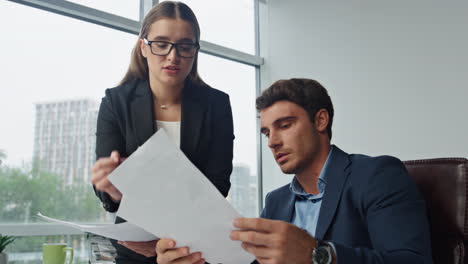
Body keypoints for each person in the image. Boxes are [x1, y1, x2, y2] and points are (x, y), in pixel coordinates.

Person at [156, 78, 432, 264]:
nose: (272, 141)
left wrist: (320, 255)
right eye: (266, 132)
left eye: (285, 125)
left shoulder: (377, 175)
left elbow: (411, 260)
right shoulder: (277, 201)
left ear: (320, 120)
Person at [90, 2, 234, 264]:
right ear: (144, 46)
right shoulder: (116, 102)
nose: (172, 56)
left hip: (194, 251)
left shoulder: (217, 105)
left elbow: (217, 186)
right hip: (134, 252)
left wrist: (171, 238)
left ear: (195, 50)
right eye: (161, 43)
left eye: (185, 46)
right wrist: (110, 186)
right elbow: (109, 199)